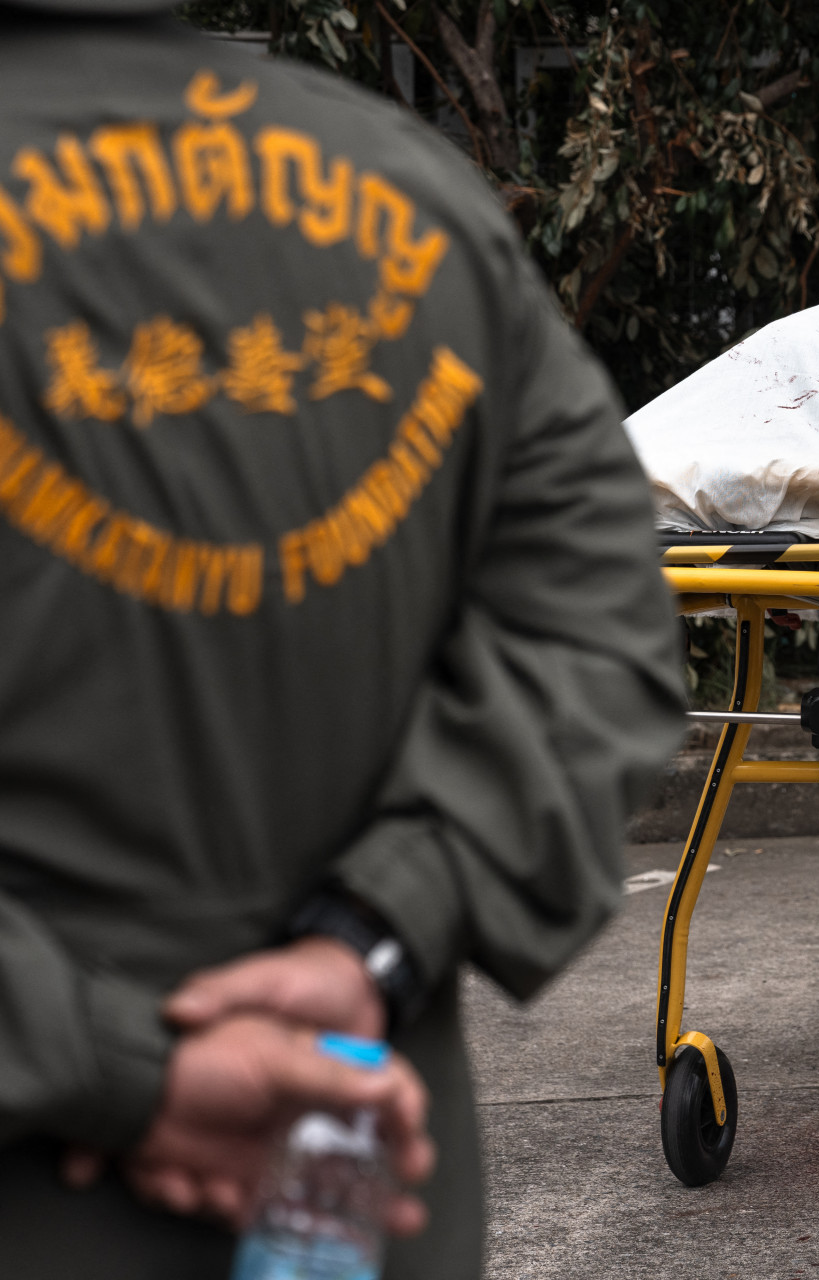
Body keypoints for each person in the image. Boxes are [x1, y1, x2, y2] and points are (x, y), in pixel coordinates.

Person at [0, 0, 687, 1275]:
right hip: (351, 1186)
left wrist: (114, 1061)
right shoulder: (425, 204)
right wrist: (371, 934)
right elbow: (607, 635)